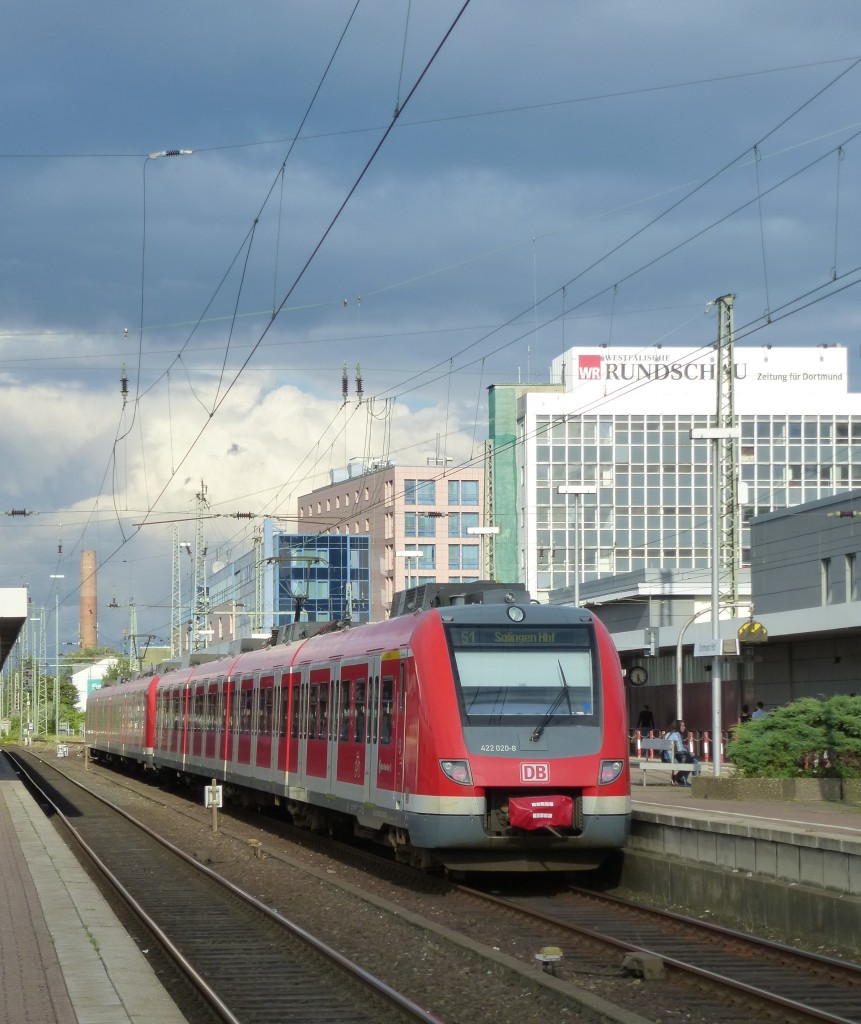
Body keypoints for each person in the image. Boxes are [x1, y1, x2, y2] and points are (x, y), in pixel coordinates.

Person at [664, 719, 699, 786]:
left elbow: (677, 747)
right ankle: (685, 780)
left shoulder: (669, 733)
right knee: (694, 762)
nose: (684, 727)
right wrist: (689, 752)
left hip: (666, 757)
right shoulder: (676, 734)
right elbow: (680, 749)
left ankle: (678, 777)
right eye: (682, 726)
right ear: (678, 727)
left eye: (684, 726)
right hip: (672, 758)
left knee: (689, 760)